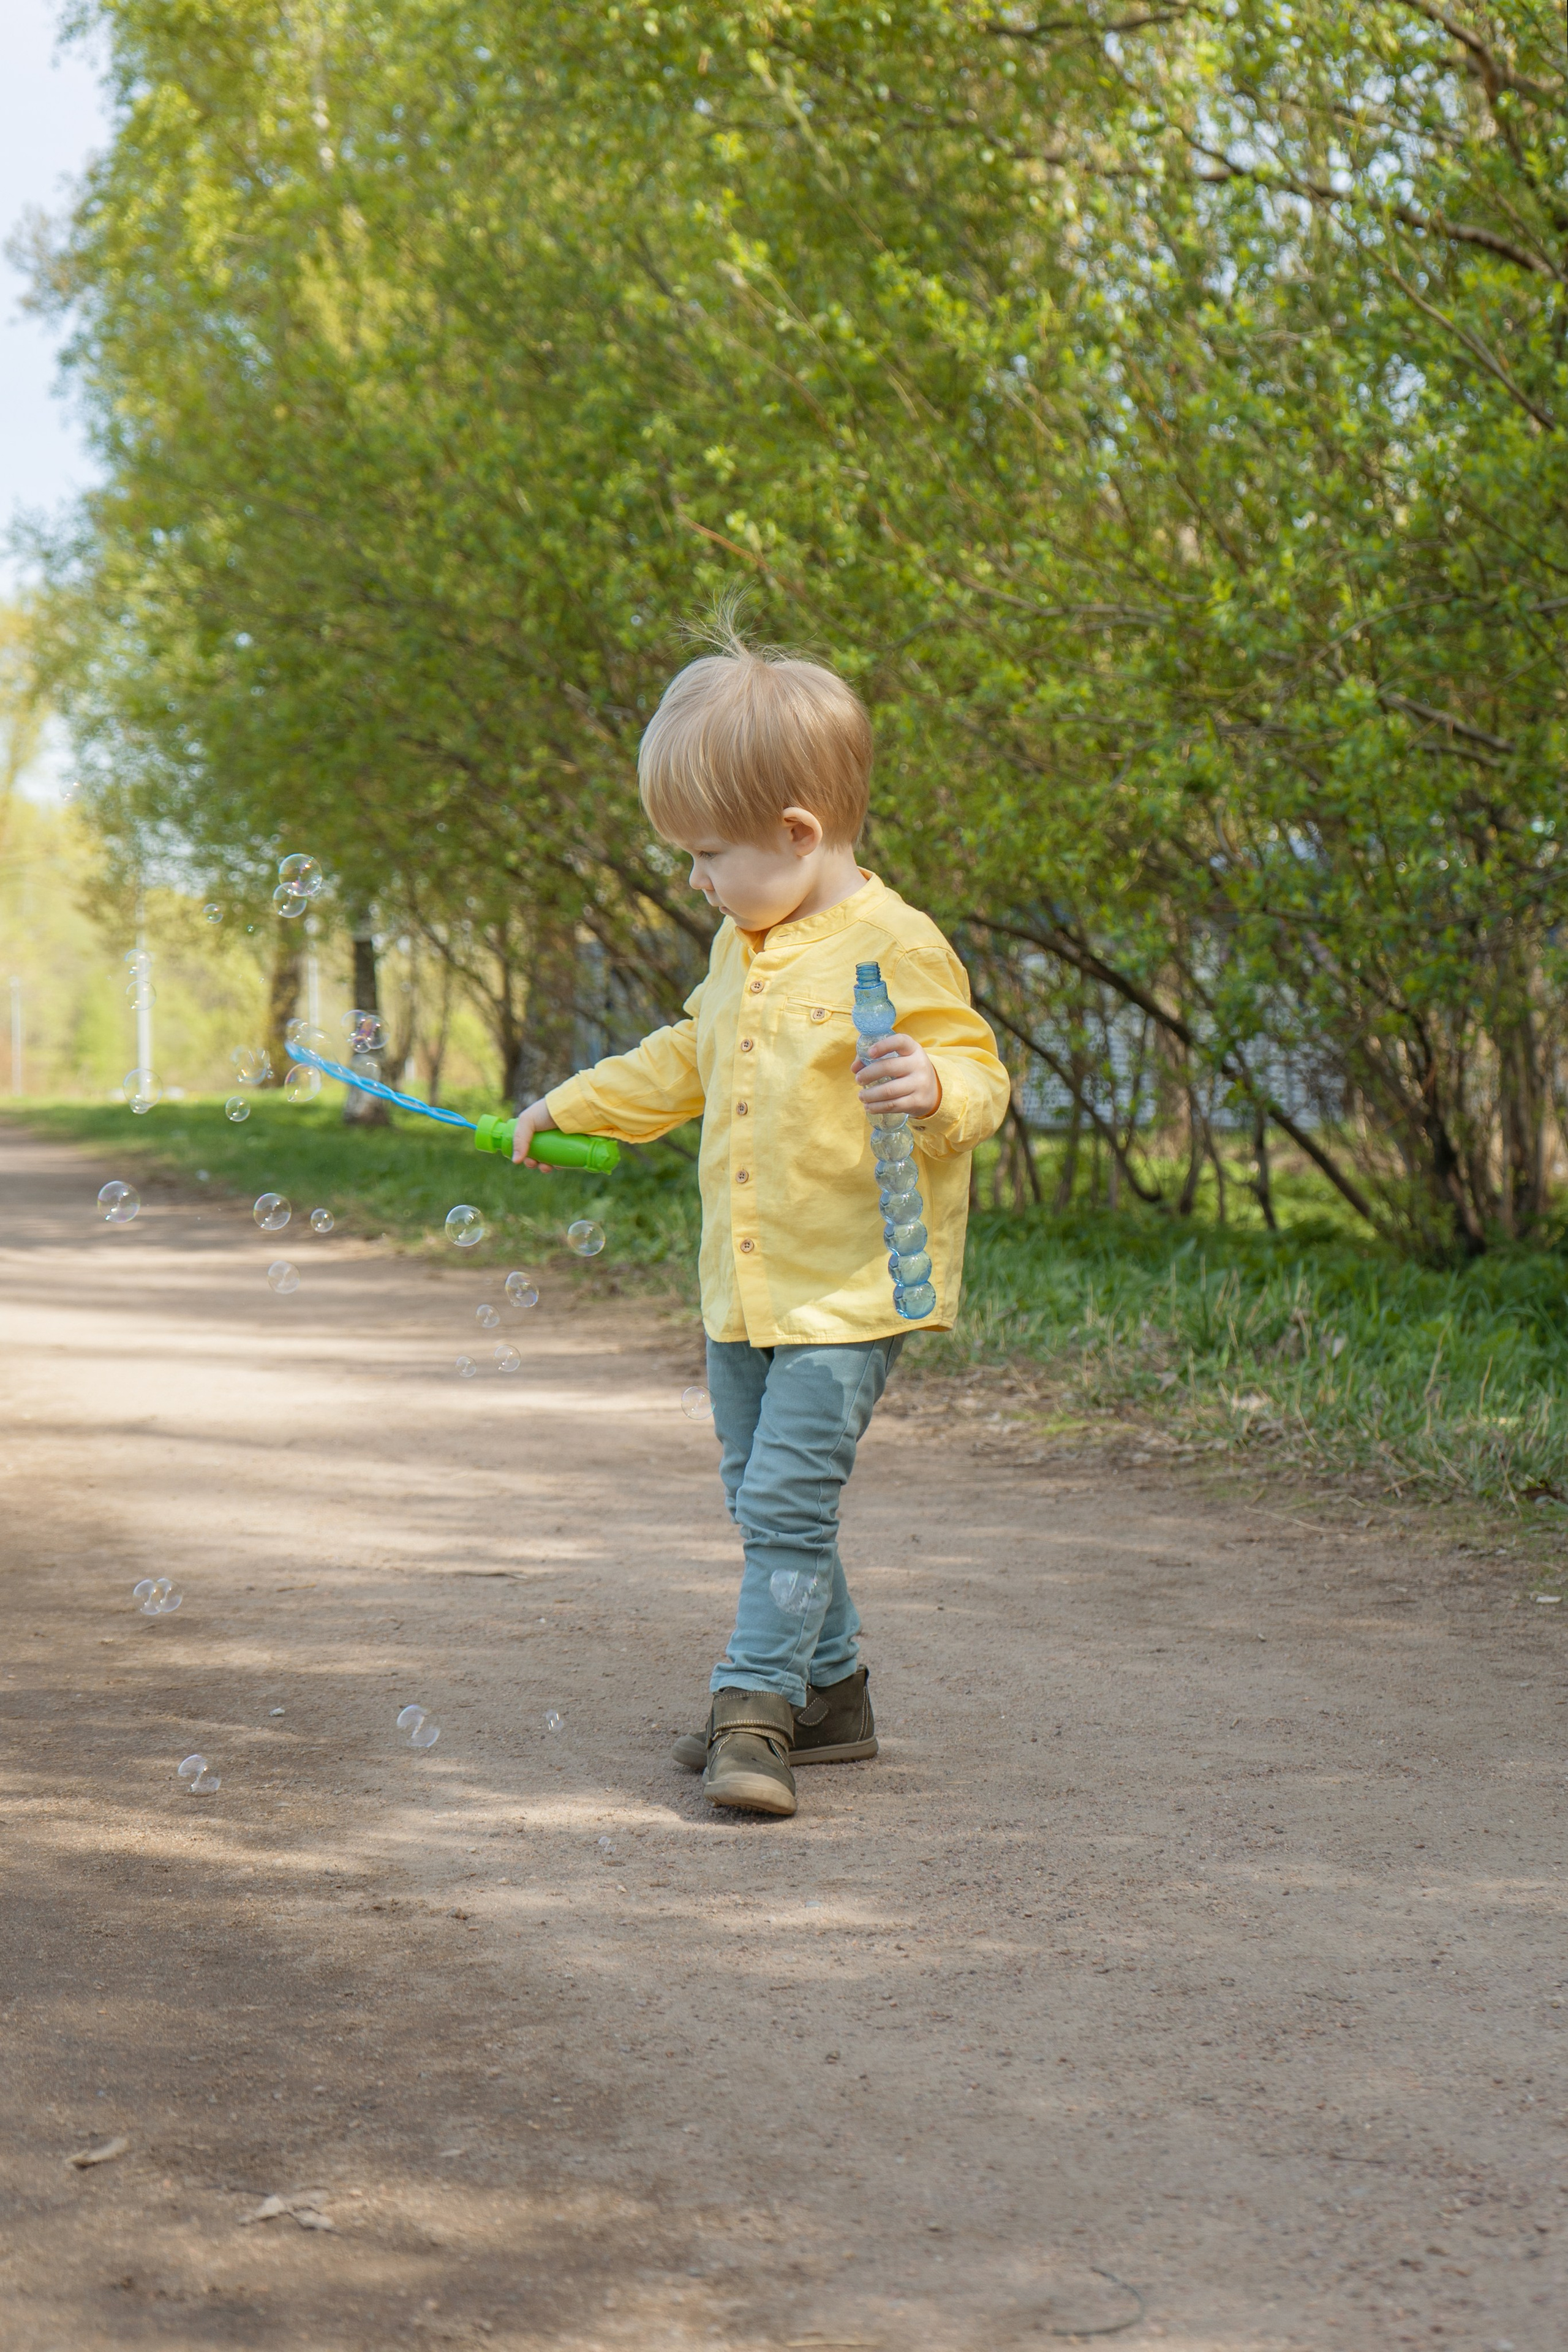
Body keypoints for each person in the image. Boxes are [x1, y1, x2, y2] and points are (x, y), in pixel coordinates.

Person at [511, 623, 1010, 1816]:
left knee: (784, 1501)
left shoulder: (892, 946)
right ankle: (834, 1695)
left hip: (847, 1287)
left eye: (704, 853)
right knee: (757, 1494)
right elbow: (684, 1057)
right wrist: (563, 1104)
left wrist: (937, 1088)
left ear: (795, 835)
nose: (692, 877)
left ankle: (756, 1710)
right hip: (742, 1286)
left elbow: (975, 1071)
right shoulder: (742, 944)